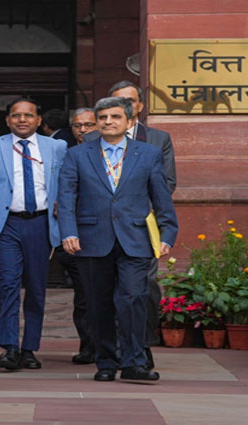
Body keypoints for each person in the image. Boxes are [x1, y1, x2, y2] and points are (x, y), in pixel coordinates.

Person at [58, 97, 178, 382]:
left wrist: (167, 233)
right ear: (96, 123)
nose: (108, 122)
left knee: (134, 299)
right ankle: (106, 363)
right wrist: (68, 231)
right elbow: (65, 197)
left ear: (129, 122)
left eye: (114, 117)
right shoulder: (78, 154)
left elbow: (161, 196)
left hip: (135, 239)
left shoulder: (147, 154)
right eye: (102, 118)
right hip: (91, 239)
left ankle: (135, 362)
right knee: (98, 304)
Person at [86, 80, 177, 369]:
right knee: (101, 295)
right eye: (113, 104)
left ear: (137, 107)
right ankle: (107, 353)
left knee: (140, 291)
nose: (115, 113)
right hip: (100, 231)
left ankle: (140, 349)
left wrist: (141, 217)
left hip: (140, 227)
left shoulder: (156, 140)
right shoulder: (89, 142)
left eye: (127, 102)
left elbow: (166, 184)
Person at [0, 98, 67, 371]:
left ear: (39, 120)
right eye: (16, 116)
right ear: (8, 120)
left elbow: (66, 182)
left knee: (37, 289)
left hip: (40, 222)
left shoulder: (57, 147)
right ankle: (10, 347)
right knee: (8, 284)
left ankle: (30, 348)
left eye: (28, 115)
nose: (22, 120)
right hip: (6, 225)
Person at [54, 107, 98, 365]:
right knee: (83, 297)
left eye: (89, 124)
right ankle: (88, 346)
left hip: (107, 234)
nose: (83, 130)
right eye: (78, 125)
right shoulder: (68, 154)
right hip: (77, 237)